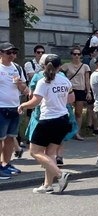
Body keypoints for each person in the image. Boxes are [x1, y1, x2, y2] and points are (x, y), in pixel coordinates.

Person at [17, 54, 73, 193]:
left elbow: (35, 101)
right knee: (50, 153)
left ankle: (60, 174)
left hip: (48, 120)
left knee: (34, 152)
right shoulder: (65, 80)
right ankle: (48, 185)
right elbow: (71, 98)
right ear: (60, 66)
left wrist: (23, 105)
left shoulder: (43, 81)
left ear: (43, 66)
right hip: (63, 119)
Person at [0, 42, 29, 179]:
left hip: (15, 107)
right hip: (1, 107)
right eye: (8, 53)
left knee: (11, 137)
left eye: (14, 53)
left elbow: (25, 89)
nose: (12, 55)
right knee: (0, 138)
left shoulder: (17, 68)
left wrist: (19, 84)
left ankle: (6, 163)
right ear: (1, 53)